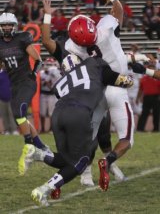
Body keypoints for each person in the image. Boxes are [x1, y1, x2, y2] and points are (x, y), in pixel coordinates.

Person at [40, 0, 151, 190]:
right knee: (108, 136)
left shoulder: (70, 50)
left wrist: (48, 15)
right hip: (97, 94)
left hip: (75, 100)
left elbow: (46, 40)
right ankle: (98, 168)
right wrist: (130, 75)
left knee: (88, 139)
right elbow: (112, 71)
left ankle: (76, 173)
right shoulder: (101, 38)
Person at [21, 53, 133, 206]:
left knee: (67, 159)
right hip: (79, 113)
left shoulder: (60, 83)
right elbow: (125, 81)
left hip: (58, 114)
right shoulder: (92, 67)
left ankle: (38, 154)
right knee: (82, 160)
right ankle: (43, 189)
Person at [0, 12, 50, 175]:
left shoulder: (22, 38)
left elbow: (38, 59)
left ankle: (29, 146)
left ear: (14, 26)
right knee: (19, 117)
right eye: (4, 25)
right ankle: (42, 147)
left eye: (9, 25)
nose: (7, 28)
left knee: (21, 111)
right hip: (14, 84)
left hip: (27, 81)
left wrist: (33, 74)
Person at [40, 57, 61, 133]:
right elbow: (41, 84)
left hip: (52, 95)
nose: (48, 66)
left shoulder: (56, 73)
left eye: (50, 64)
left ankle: (51, 129)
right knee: (42, 112)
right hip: (43, 93)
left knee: (51, 113)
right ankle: (42, 129)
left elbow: (54, 84)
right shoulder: (41, 73)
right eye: (47, 64)